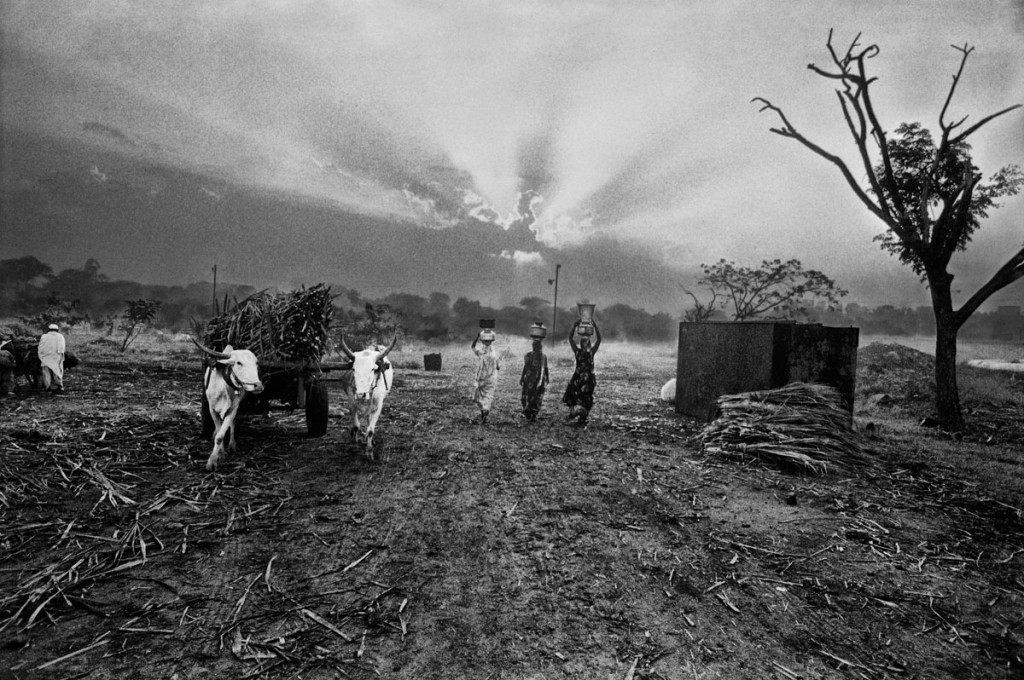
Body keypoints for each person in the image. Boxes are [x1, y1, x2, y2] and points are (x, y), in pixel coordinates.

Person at [562, 319, 601, 427]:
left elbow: (599, 341)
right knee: (577, 396)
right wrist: (574, 326)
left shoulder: (588, 352)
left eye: (587, 342)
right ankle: (577, 415)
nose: (586, 344)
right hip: (581, 379)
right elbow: (570, 339)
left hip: (585, 379)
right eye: (584, 342)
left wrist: (596, 327)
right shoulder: (581, 352)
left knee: (586, 398)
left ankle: (582, 418)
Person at [520, 325, 549, 421]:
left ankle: (533, 414)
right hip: (529, 379)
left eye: (537, 346)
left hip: (537, 380)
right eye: (534, 346)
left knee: (536, 397)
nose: (536, 348)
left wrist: (546, 378)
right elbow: (525, 366)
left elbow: (545, 368)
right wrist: (522, 377)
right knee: (527, 395)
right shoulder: (528, 355)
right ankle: (528, 412)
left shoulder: (542, 356)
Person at [471, 329, 500, 423]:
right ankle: (484, 414)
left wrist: (477, 337)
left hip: (482, 378)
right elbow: (498, 366)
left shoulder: (482, 352)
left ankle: (484, 415)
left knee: (479, 396)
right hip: (490, 378)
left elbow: (473, 347)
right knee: (487, 397)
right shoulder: (493, 353)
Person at [38, 323, 66, 393]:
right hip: (56, 357)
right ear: (57, 330)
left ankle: (47, 387)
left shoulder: (44, 336)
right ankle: (59, 386)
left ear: (49, 329)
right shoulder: (60, 336)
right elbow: (62, 348)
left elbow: (40, 347)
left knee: (46, 372)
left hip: (46, 357)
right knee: (57, 371)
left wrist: (41, 356)